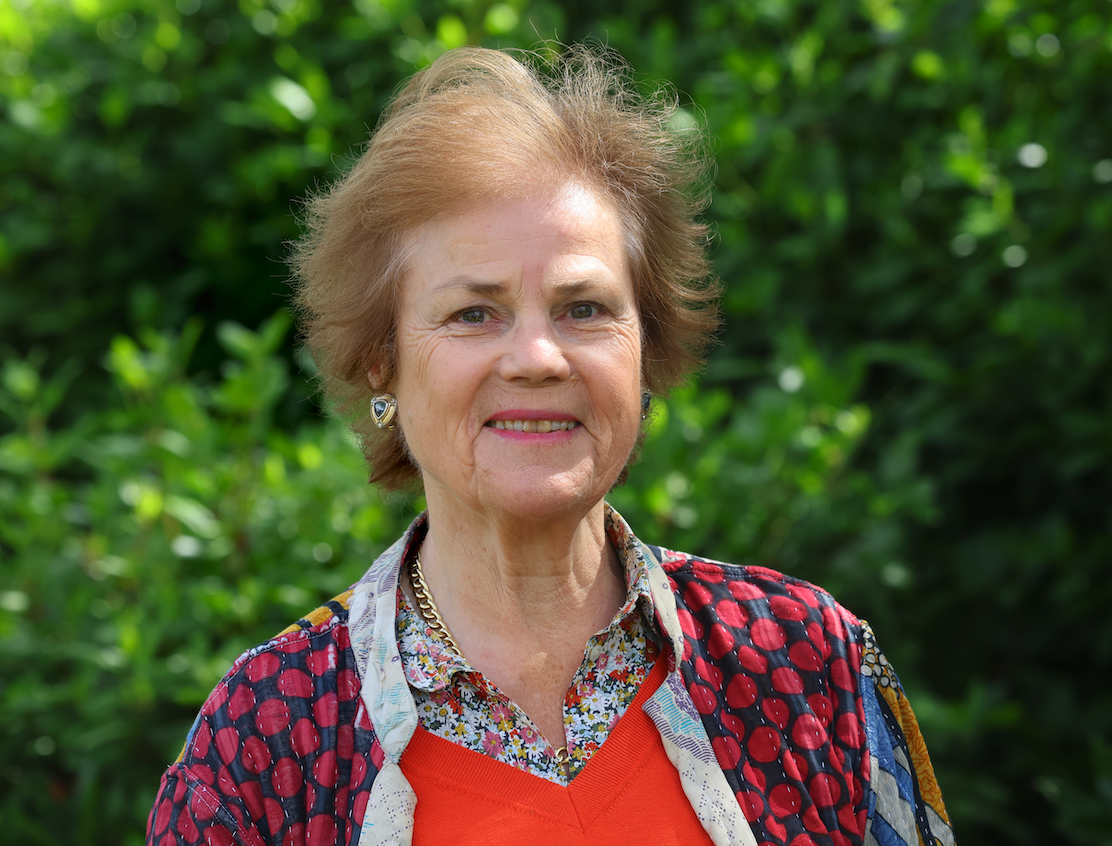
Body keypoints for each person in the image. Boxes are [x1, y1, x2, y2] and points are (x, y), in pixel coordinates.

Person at [146, 45, 955, 846]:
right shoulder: (267, 736)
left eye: (583, 309)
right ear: (381, 362)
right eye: (474, 313)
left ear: (645, 352)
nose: (537, 358)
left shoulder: (806, 663)